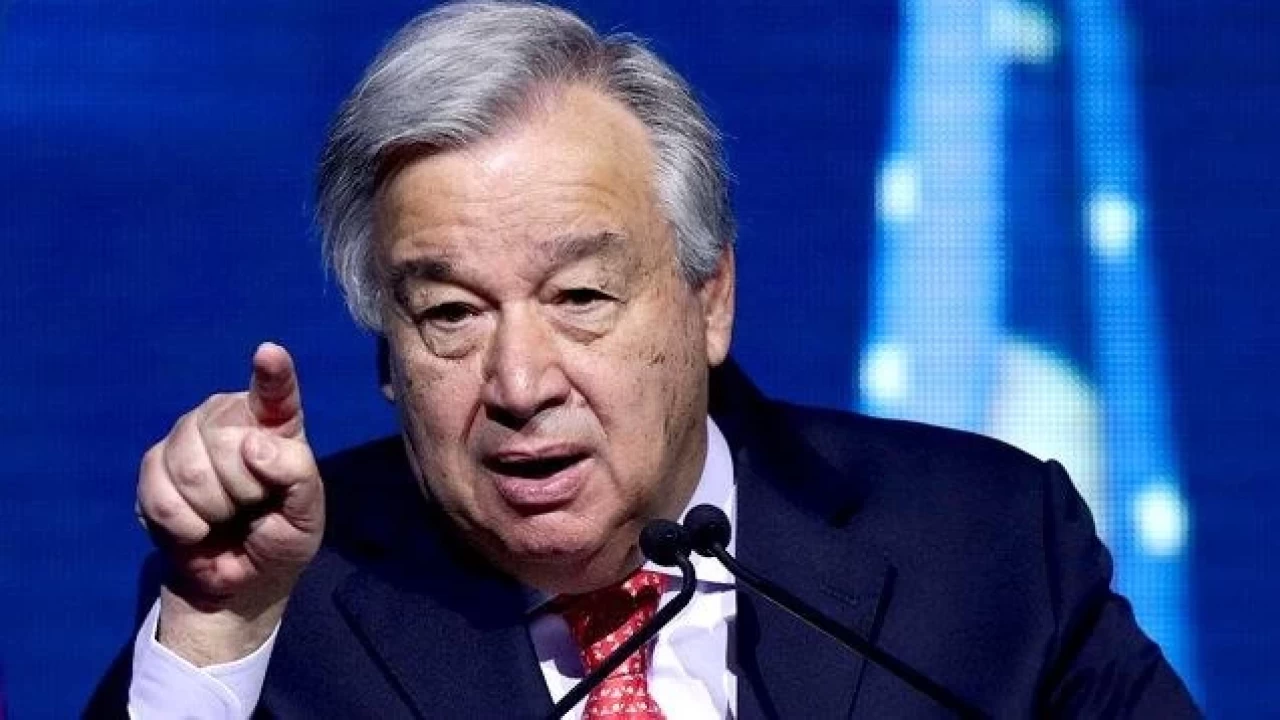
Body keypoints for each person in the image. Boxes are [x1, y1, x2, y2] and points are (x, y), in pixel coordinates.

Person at [89, 1, 1199, 717]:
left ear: (709, 301)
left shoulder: (986, 548)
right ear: (388, 355)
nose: (520, 386)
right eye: (451, 314)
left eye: (580, 297)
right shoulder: (280, 603)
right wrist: (220, 627)